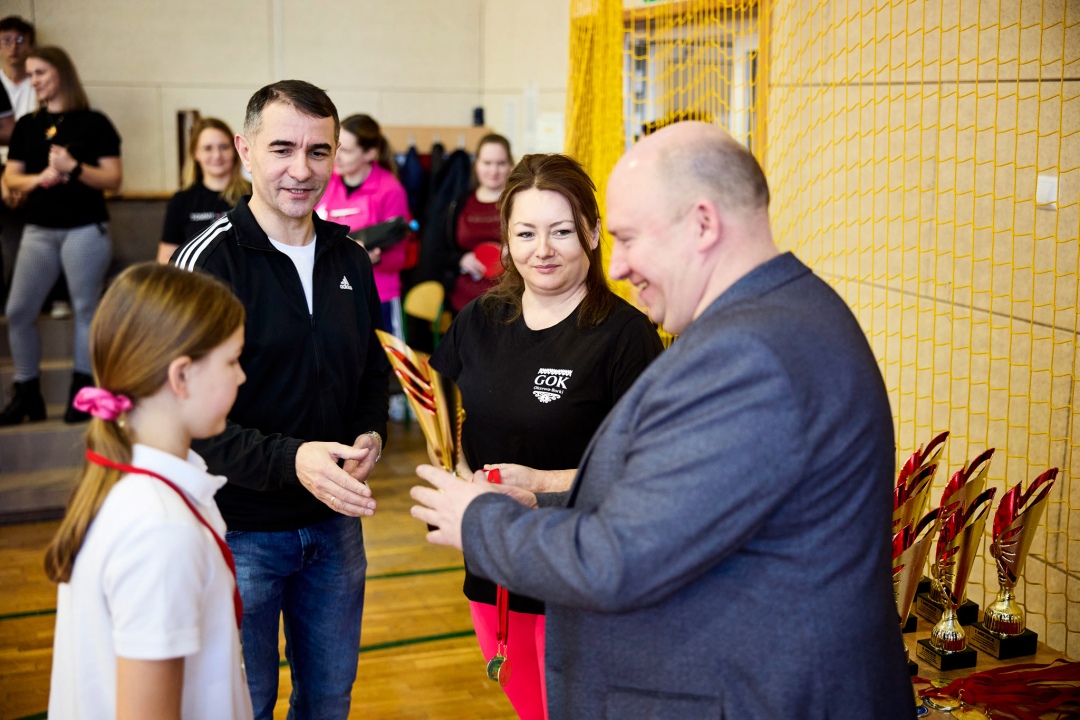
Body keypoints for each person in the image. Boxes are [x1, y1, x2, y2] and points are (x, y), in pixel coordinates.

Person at [411, 122, 917, 719]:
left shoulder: (748, 357)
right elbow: (684, 511)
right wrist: (538, 496)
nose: (620, 265)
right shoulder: (786, 313)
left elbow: (619, 560)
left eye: (628, 239)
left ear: (703, 224)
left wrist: (478, 520)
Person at [172, 80, 388, 720]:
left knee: (327, 702)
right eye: (282, 149)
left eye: (319, 152)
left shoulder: (351, 258)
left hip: (334, 525)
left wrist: (370, 433)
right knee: (245, 705)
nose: (302, 169)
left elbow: (370, 370)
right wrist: (292, 460)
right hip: (238, 530)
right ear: (245, 150)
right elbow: (181, 418)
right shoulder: (207, 263)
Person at [429, 153, 663, 719]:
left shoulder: (627, 337)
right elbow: (455, 421)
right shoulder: (479, 320)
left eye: (561, 231)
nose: (544, 250)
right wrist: (462, 478)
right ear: (506, 242)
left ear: (592, 233)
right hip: (494, 565)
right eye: (526, 233)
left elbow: (647, 474)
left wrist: (539, 484)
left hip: (582, 573)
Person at [44, 262, 253, 719]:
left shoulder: (133, 487)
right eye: (232, 360)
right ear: (181, 377)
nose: (241, 376)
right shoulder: (160, 530)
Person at [0, 46, 122, 426]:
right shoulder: (27, 125)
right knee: (18, 311)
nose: (33, 81)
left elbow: (114, 179)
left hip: (84, 229)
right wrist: (41, 178)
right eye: (31, 74)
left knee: (86, 310)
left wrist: (73, 167)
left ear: (61, 73)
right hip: (39, 230)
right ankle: (27, 393)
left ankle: (82, 393)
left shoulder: (95, 123)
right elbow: (11, 178)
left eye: (40, 72)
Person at [313, 113, 412, 420]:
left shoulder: (390, 189)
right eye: (336, 147)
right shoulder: (328, 183)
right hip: (332, 290)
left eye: (347, 150)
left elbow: (402, 257)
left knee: (382, 361)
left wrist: (371, 257)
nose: (337, 156)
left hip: (379, 292)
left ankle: (388, 409)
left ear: (370, 153)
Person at [428, 133, 513, 313]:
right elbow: (437, 251)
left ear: (510, 165)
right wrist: (461, 259)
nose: (493, 171)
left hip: (510, 301)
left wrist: (516, 250)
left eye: (501, 163)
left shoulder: (519, 203)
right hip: (464, 304)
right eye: (487, 163)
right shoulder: (458, 204)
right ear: (476, 164)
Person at [158, 117, 251, 263]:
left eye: (224, 147)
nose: (217, 155)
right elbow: (165, 258)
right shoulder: (181, 200)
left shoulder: (253, 193)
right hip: (196, 277)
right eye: (208, 148)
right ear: (195, 153)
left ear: (235, 150)